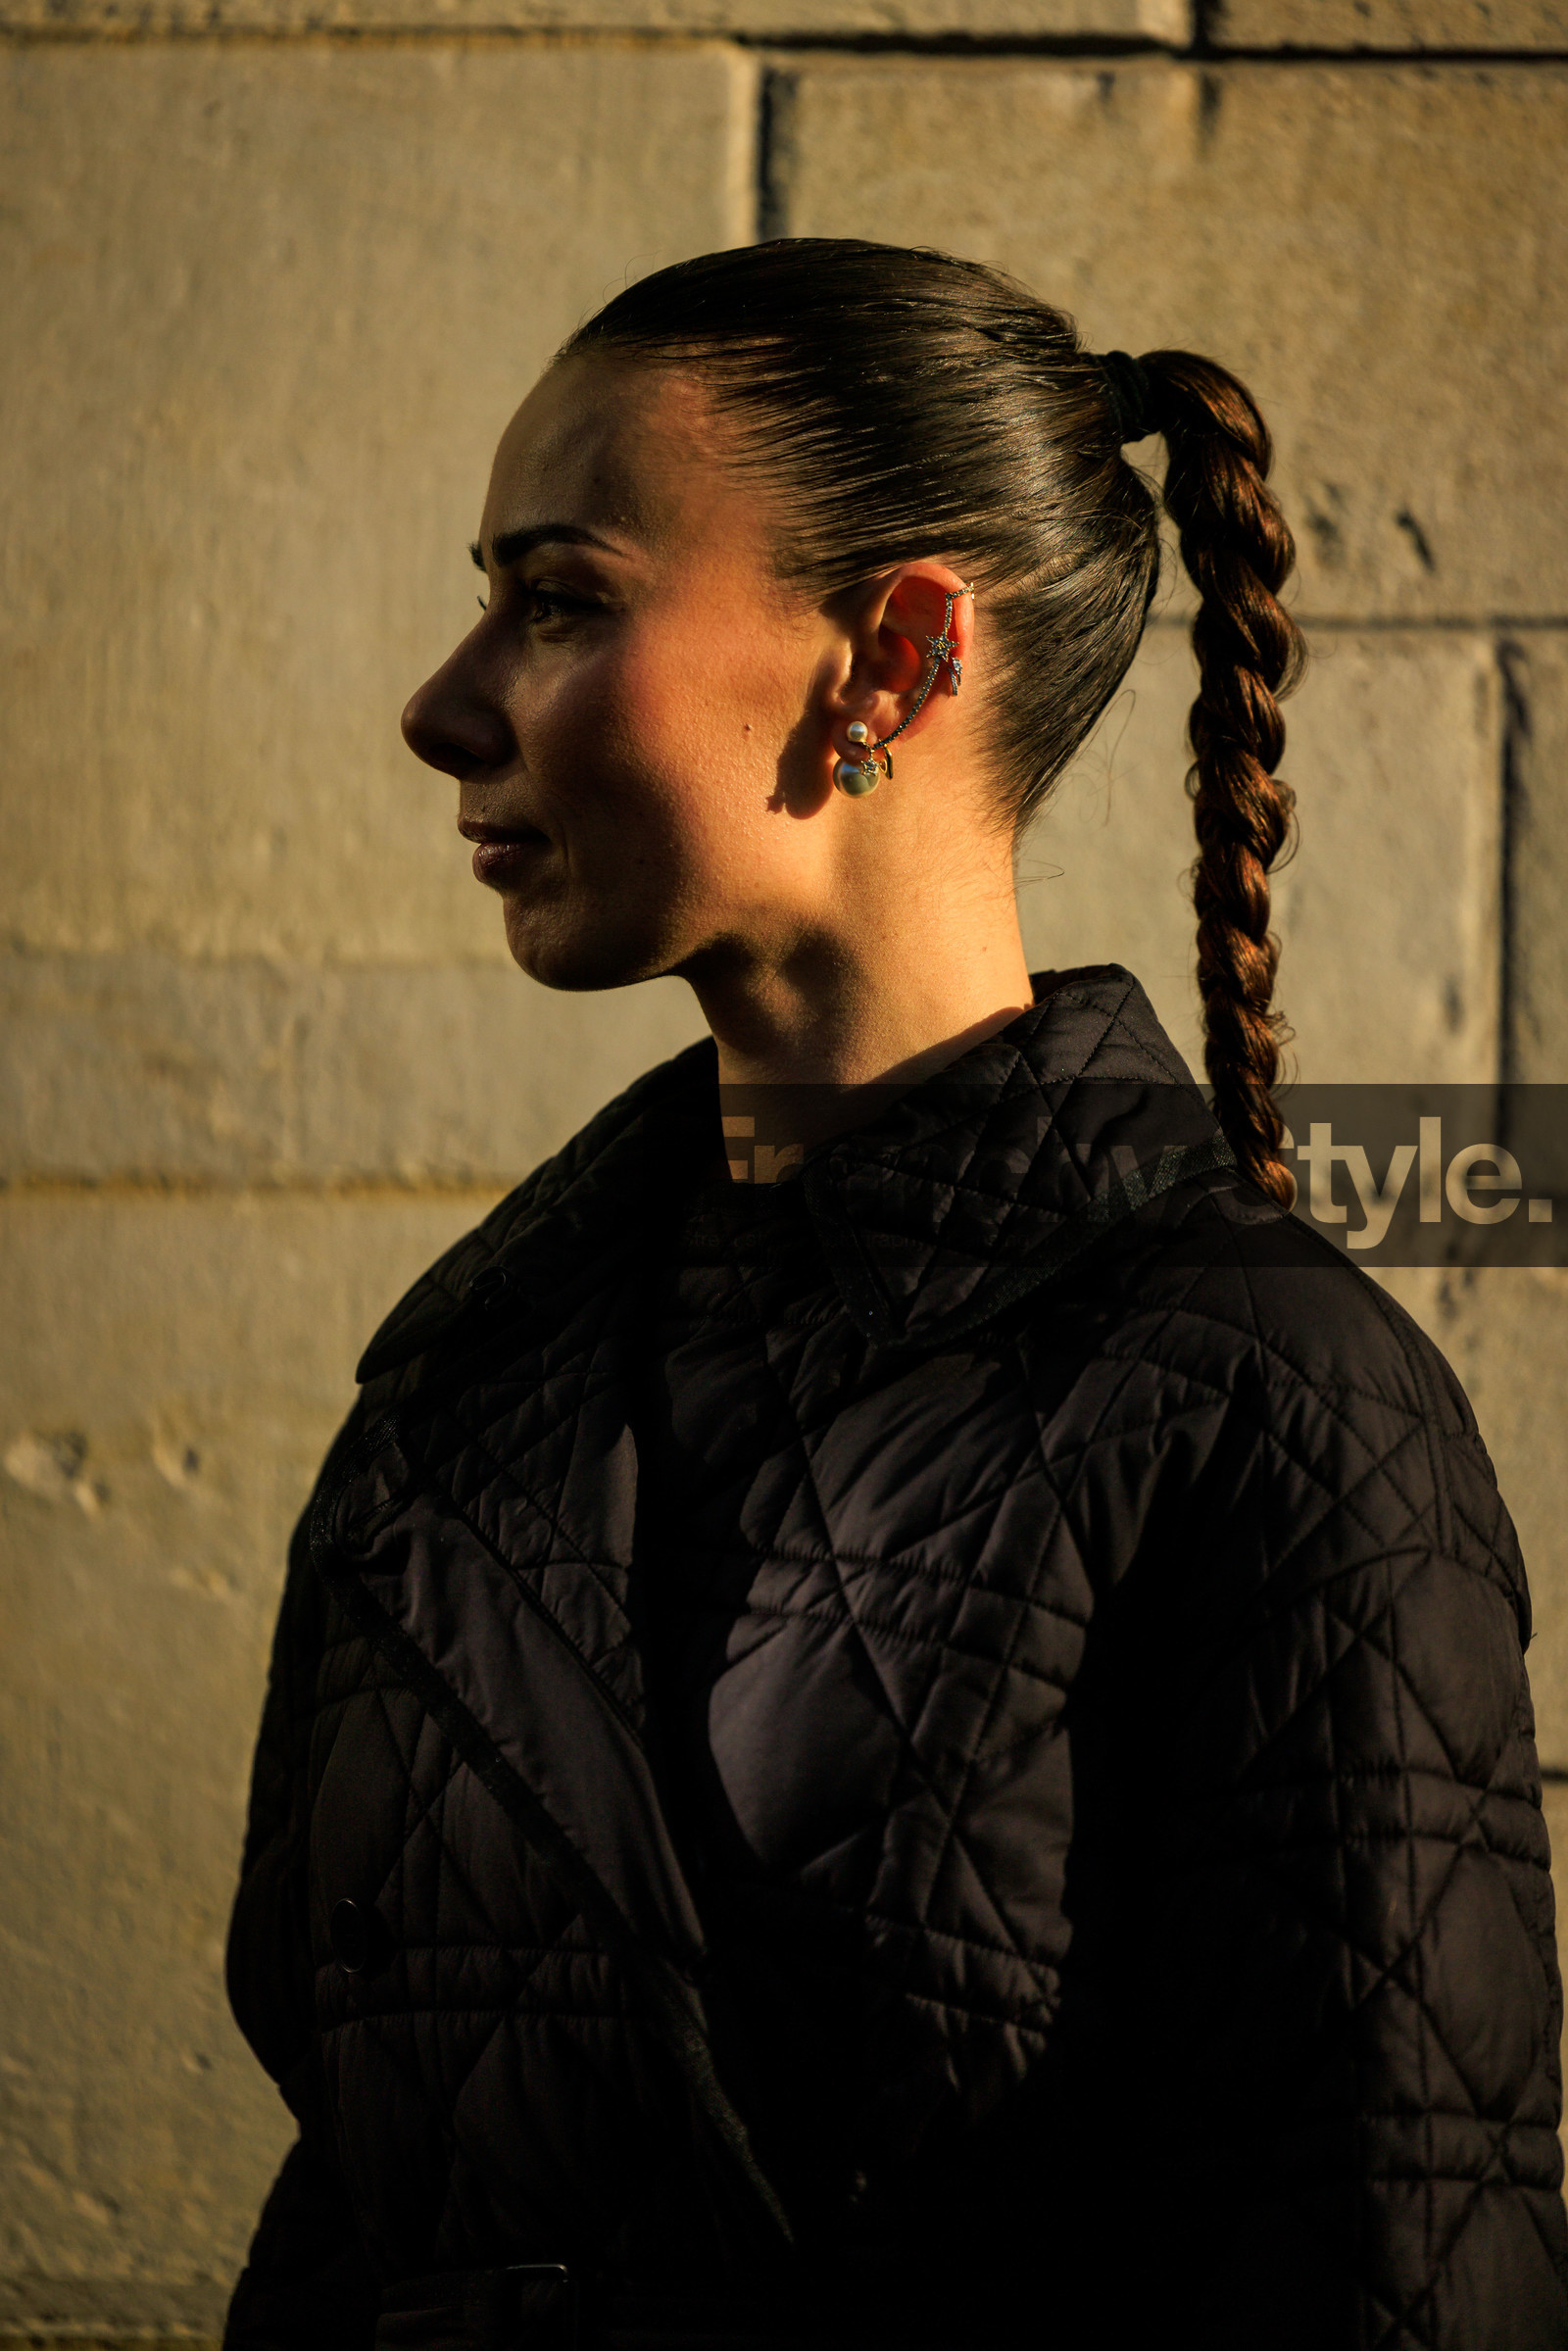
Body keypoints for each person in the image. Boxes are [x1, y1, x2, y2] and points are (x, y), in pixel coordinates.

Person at [221, 240, 1568, 2350]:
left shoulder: (1274, 1400)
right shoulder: (465, 1375)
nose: (443, 701)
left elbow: (1390, 2264)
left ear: (894, 654)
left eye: (559, 596)